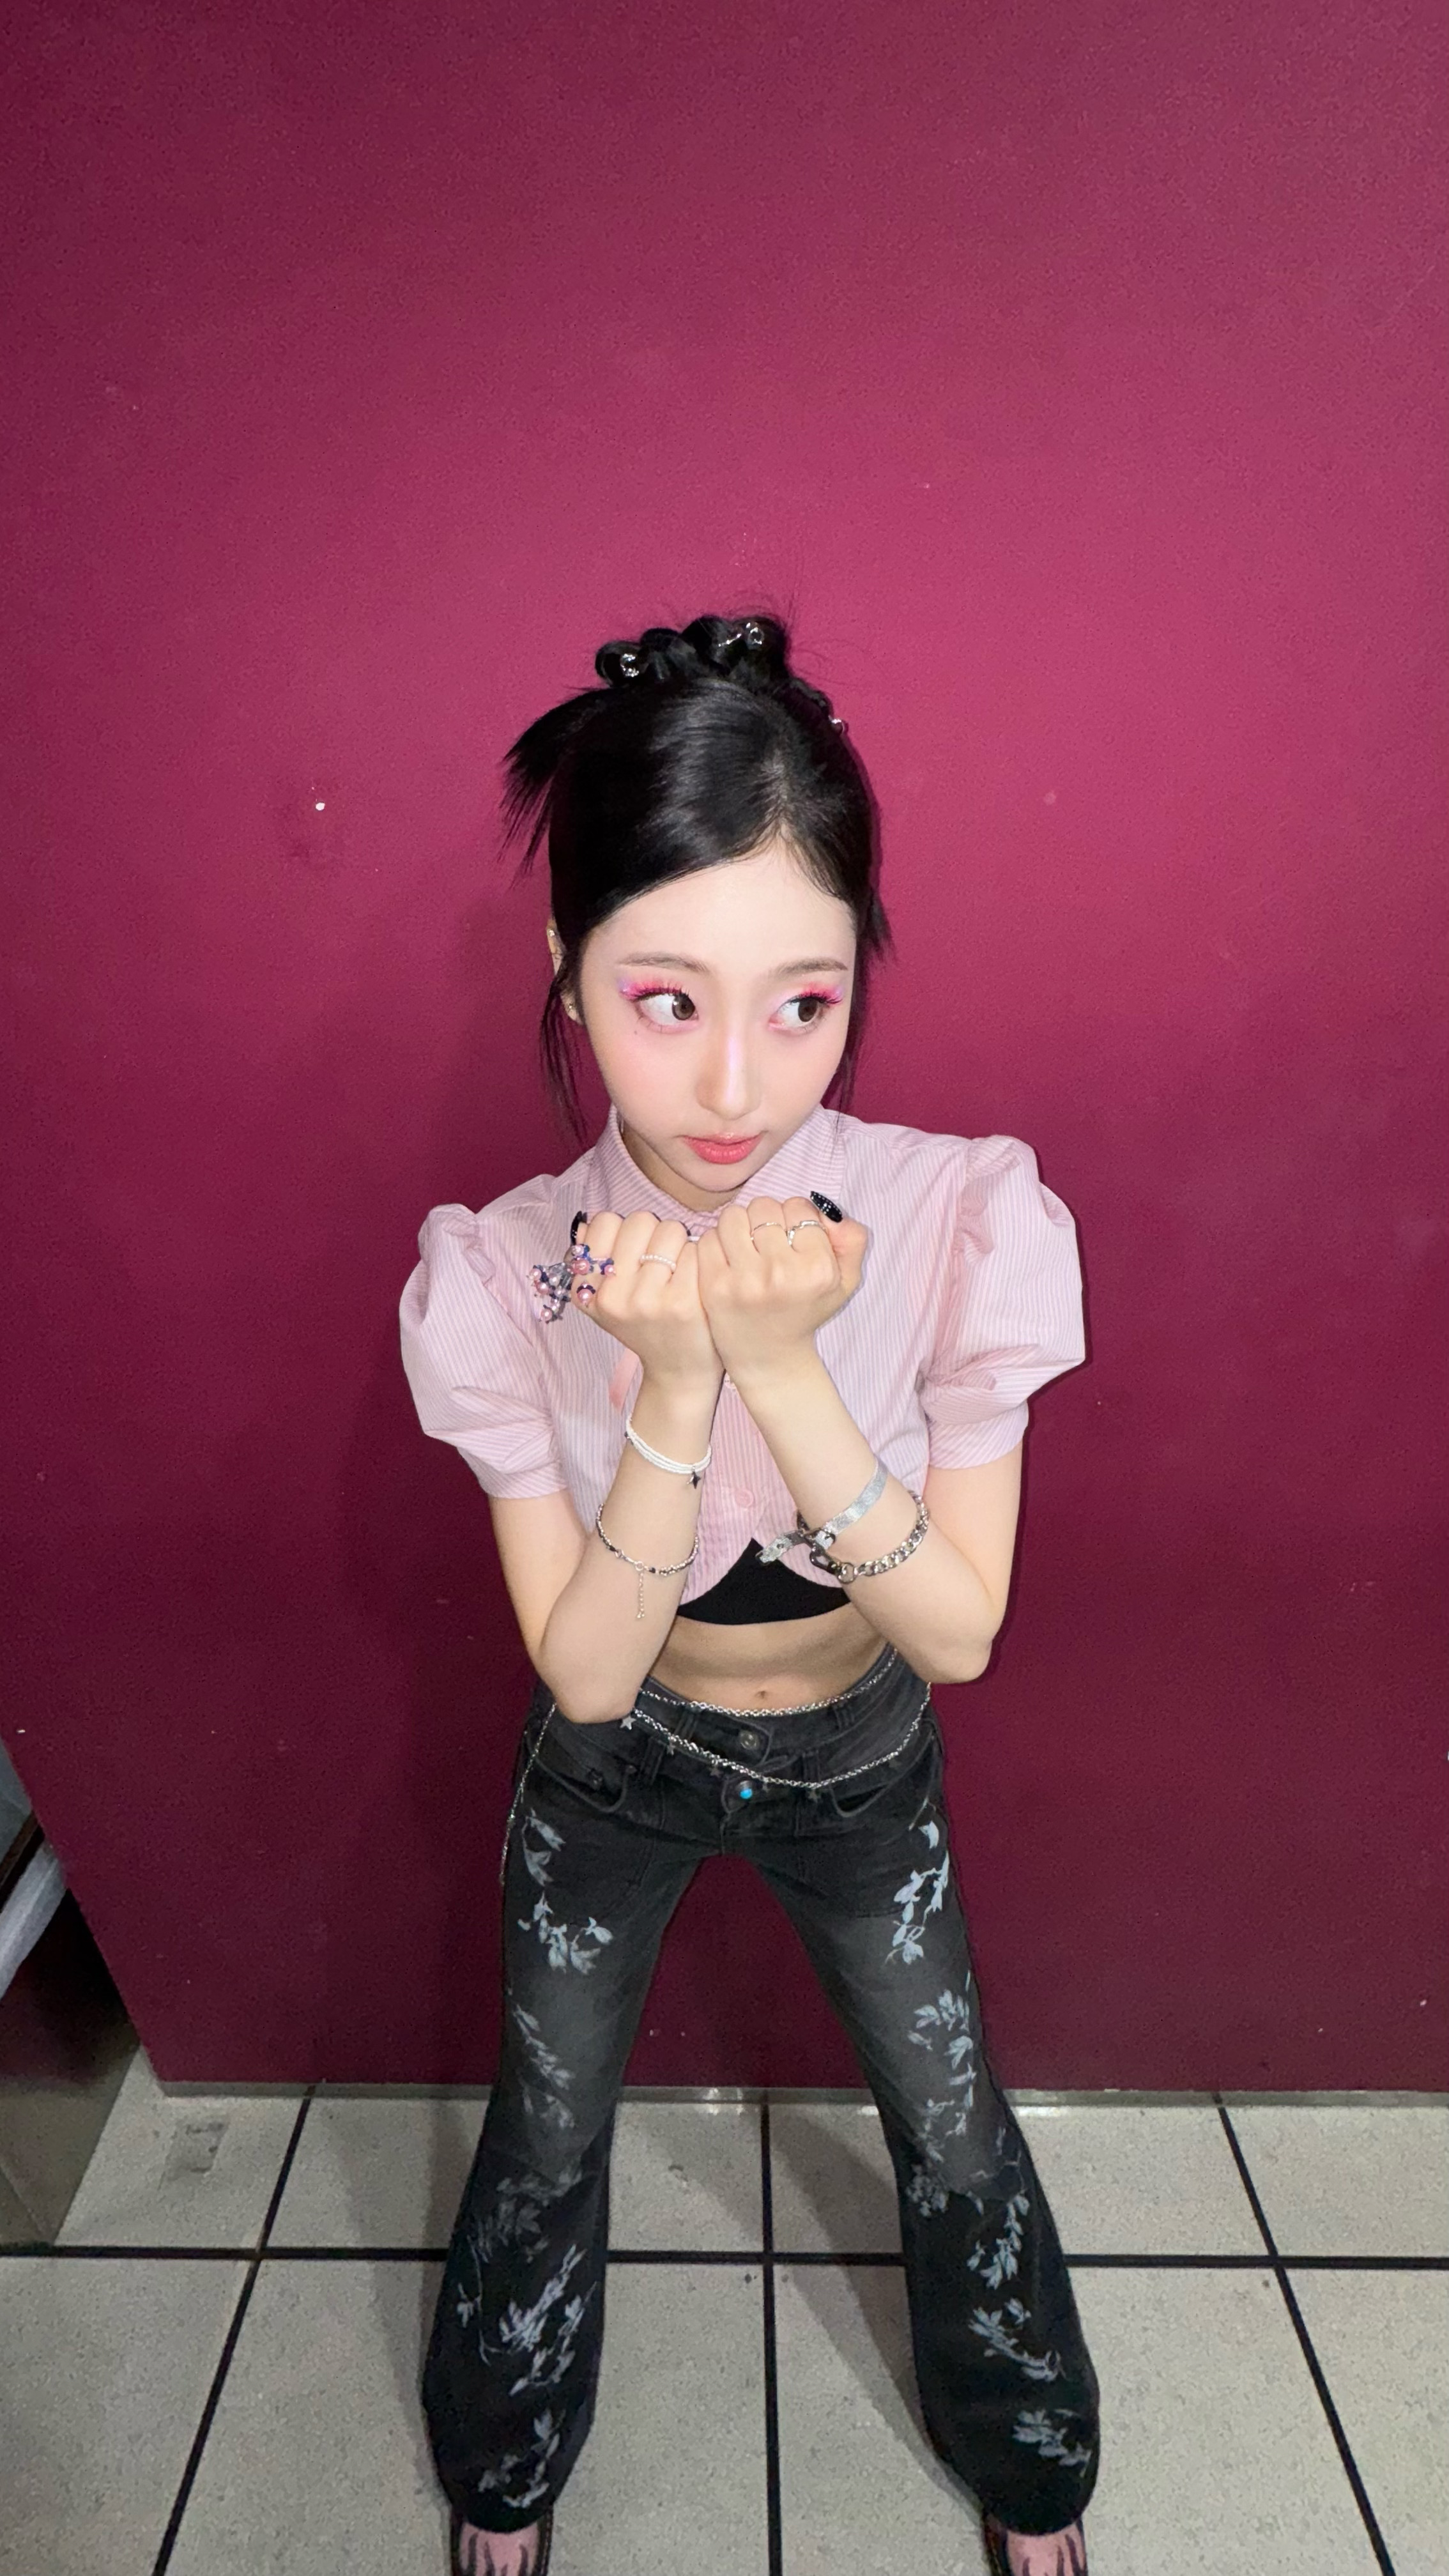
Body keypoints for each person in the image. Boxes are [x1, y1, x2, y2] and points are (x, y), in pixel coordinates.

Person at [399, 612, 1099, 2576]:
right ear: (566, 970)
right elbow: (584, 1675)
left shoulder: (959, 1214)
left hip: (861, 1755)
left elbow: (959, 1633)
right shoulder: (501, 1271)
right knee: (547, 2127)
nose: (734, 1080)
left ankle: (1032, 2465)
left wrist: (782, 1359)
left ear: (858, 970)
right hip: (614, 1770)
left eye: (802, 1002)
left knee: (950, 2119)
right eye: (662, 998)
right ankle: (505, 2468)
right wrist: (677, 1384)